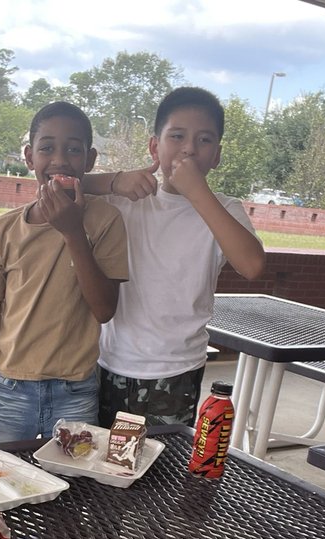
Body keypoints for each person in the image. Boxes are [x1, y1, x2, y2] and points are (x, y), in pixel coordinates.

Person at [86, 87, 266, 427]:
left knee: (159, 471)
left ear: (217, 155)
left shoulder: (224, 210)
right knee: (98, 465)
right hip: (108, 361)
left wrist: (198, 191)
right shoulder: (128, 198)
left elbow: (252, 265)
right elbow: (61, 185)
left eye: (204, 140)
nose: (189, 149)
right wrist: (113, 180)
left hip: (177, 370)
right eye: (177, 136)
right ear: (155, 146)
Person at [0, 101, 129, 445]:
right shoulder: (0, 231)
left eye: (74, 149)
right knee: (2, 486)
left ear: (90, 159)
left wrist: (72, 232)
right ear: (29, 156)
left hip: (76, 392)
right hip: (11, 390)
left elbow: (104, 310)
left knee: (76, 492)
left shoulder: (106, 220)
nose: (60, 159)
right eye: (47, 148)